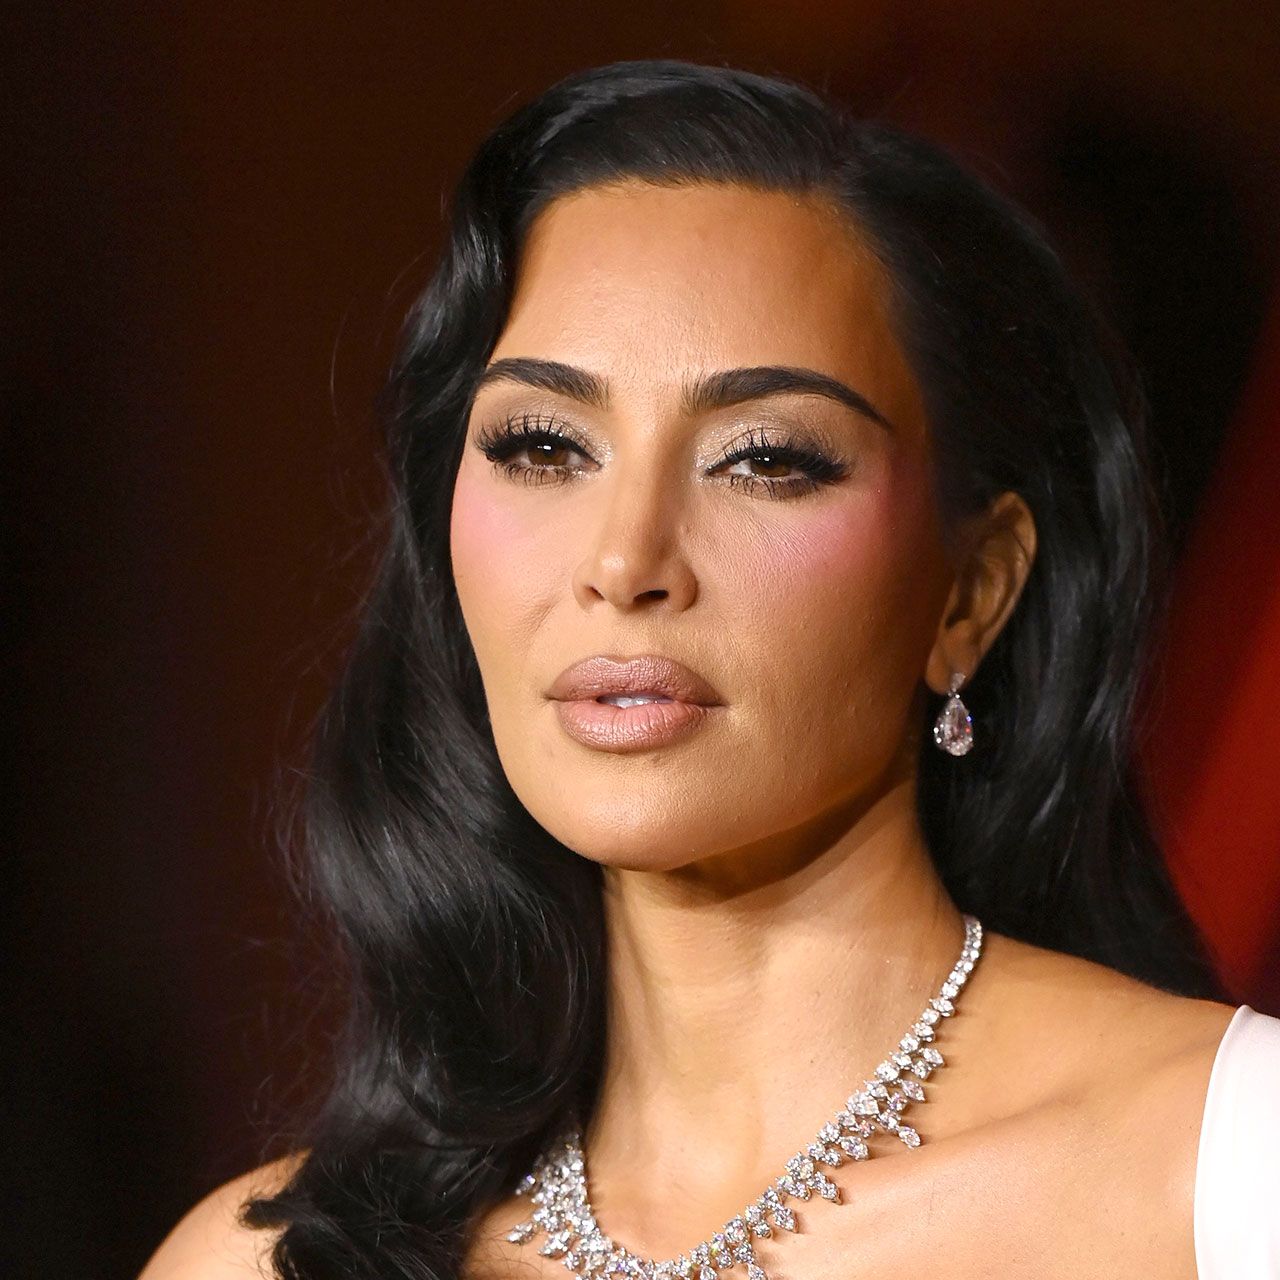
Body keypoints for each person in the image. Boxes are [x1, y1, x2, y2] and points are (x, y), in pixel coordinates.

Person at [139, 59, 1280, 1280]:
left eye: (765, 459)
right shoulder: (262, 1260)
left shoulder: (1223, 1169)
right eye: (542, 444)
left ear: (970, 592)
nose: (624, 560)